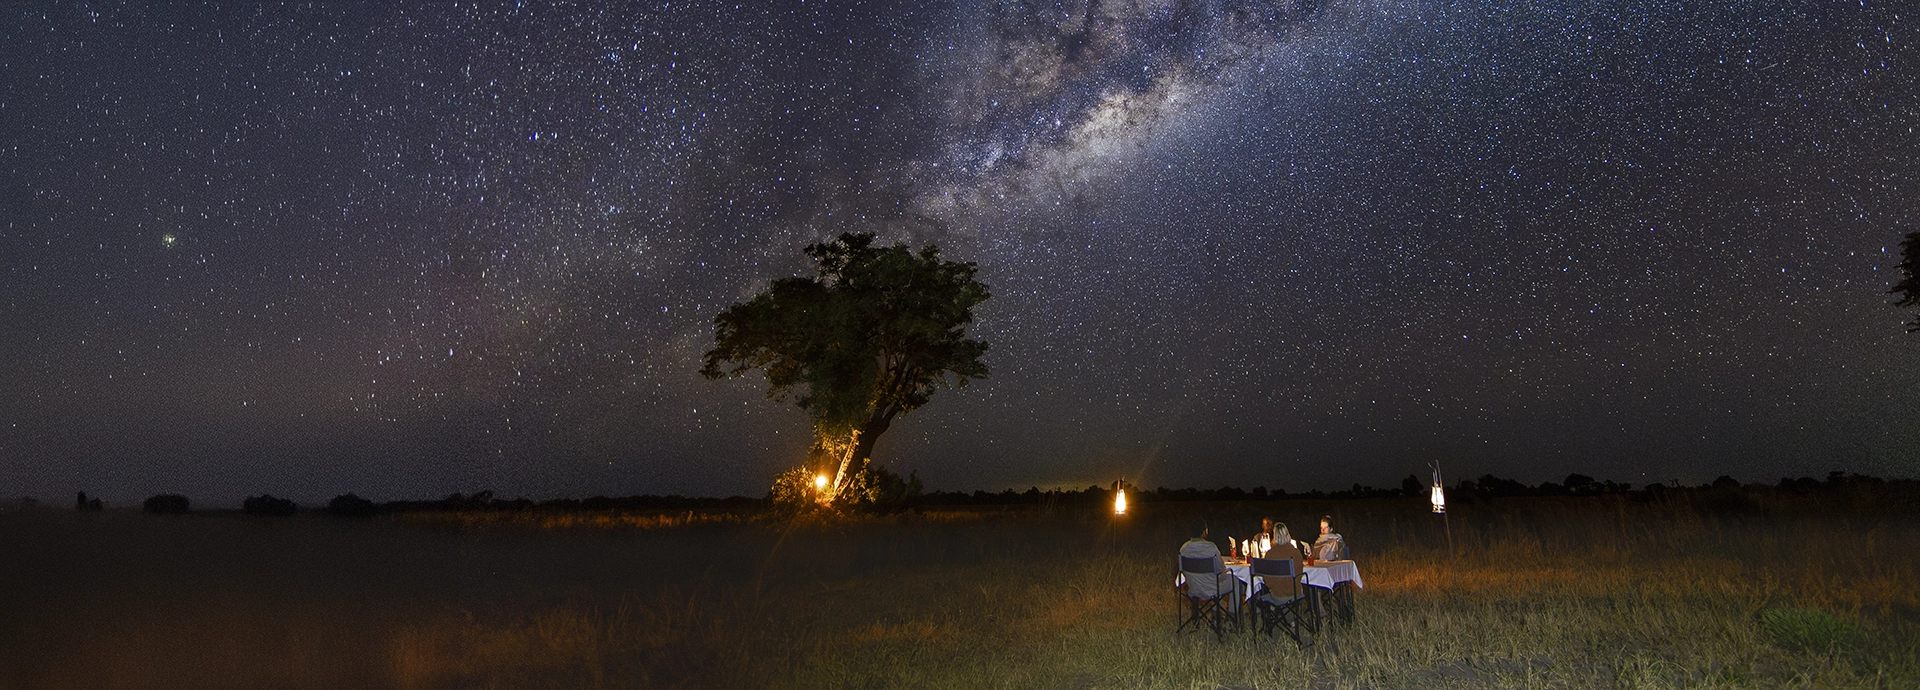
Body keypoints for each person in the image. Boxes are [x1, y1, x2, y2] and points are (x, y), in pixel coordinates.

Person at [1178, 520, 1228, 600]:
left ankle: (1216, 610)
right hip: (1212, 588)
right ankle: (1231, 612)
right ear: (1204, 532)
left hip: (1193, 588)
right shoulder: (1211, 547)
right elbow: (1221, 568)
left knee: (1215, 579)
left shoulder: (1183, 549)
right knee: (1235, 581)